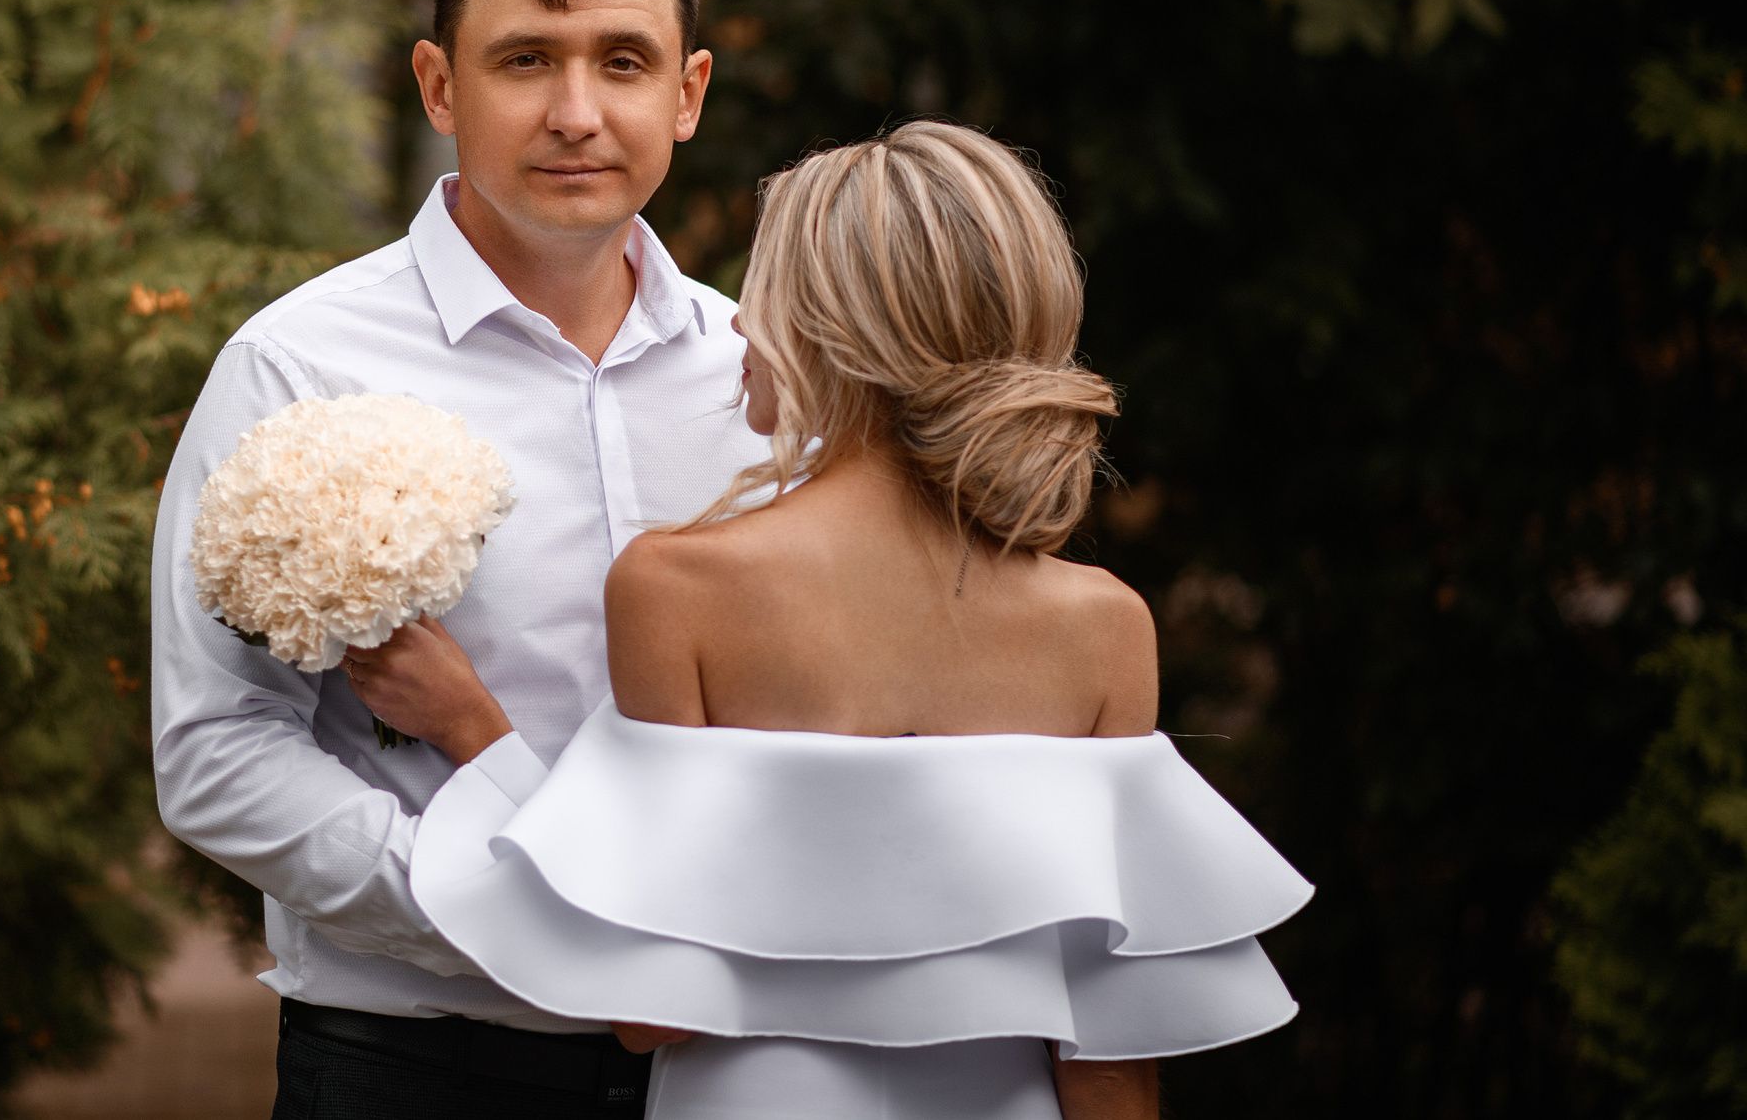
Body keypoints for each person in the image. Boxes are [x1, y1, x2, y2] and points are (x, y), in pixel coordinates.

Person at [357, 123, 1313, 1120]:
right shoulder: (1105, 628)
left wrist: (478, 737)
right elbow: (1109, 1066)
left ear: (829, 326)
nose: (735, 328)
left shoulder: (676, 587)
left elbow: (652, 1013)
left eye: (763, 291)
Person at [149, 0, 772, 1117]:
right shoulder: (297, 366)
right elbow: (216, 750)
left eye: (624, 62)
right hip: (416, 1069)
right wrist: (504, 903)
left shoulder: (762, 374)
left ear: (688, 93)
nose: (577, 113)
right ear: (440, 86)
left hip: (726, 1070)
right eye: (526, 60)